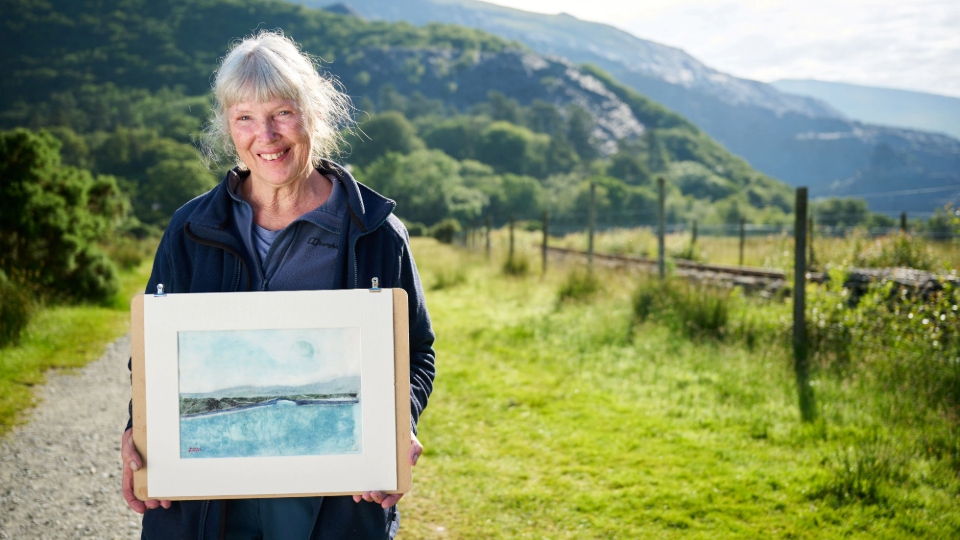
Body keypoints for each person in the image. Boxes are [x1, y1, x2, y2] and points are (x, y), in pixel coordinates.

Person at [119, 30, 436, 539]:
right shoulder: (190, 227)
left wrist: (402, 423)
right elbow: (153, 351)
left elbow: (416, 352)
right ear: (228, 126)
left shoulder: (375, 231)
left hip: (335, 496)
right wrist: (141, 428)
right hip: (206, 498)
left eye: (281, 113)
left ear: (313, 113)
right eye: (245, 117)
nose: (264, 135)